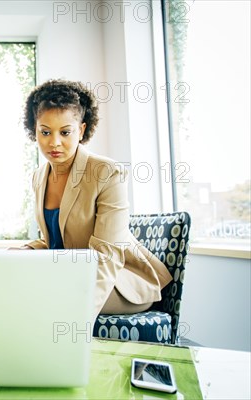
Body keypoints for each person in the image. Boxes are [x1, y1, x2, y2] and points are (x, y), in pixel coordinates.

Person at [17, 79, 172, 317]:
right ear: (34, 129)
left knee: (41, 296)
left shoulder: (107, 172)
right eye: (45, 132)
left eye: (65, 132)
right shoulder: (39, 177)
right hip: (69, 274)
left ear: (81, 130)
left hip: (120, 281)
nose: (54, 142)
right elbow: (58, 238)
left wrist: (80, 318)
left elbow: (107, 256)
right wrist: (24, 251)